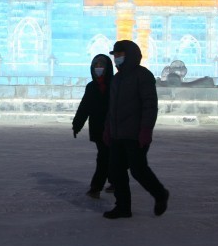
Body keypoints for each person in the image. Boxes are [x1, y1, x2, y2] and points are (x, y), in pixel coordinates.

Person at [102, 40, 169, 219]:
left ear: (129, 55)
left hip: (135, 134)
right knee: (116, 171)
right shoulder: (117, 79)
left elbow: (149, 105)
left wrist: (146, 129)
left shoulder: (142, 75)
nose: (116, 59)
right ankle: (123, 207)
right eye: (115, 56)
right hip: (117, 134)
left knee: (138, 170)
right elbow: (112, 107)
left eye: (119, 55)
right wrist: (108, 128)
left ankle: (160, 194)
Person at [72, 54, 114, 199]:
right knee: (106, 155)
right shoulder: (91, 87)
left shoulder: (115, 84)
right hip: (98, 128)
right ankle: (110, 182)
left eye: (101, 65)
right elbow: (85, 107)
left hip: (113, 127)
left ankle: (97, 186)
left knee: (106, 156)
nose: (98, 68)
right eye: (96, 66)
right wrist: (77, 124)